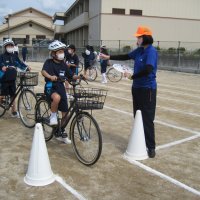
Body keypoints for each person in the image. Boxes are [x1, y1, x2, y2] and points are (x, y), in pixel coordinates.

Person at [100, 26, 158, 158]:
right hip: (136, 88)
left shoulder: (151, 52)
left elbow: (148, 69)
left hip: (147, 89)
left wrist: (132, 76)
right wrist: (108, 56)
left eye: (139, 37)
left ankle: (151, 147)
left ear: (145, 38)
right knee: (137, 116)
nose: (137, 39)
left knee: (147, 118)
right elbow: (126, 56)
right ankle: (140, 141)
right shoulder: (139, 51)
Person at [41, 40, 83, 144]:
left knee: (66, 114)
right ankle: (53, 116)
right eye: (59, 52)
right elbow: (43, 71)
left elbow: (71, 75)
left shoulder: (63, 64)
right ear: (53, 53)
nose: (62, 53)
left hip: (60, 87)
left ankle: (60, 131)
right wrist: (50, 76)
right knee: (56, 98)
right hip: (50, 87)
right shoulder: (48, 62)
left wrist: (80, 76)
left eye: (62, 51)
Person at [0, 39, 29, 117]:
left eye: (11, 46)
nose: (10, 47)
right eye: (8, 46)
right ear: (5, 47)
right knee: (2, 95)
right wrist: (2, 66)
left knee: (13, 95)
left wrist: (26, 67)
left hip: (13, 78)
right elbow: (0, 63)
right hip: (4, 78)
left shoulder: (14, 56)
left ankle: (14, 111)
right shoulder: (2, 56)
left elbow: (19, 63)